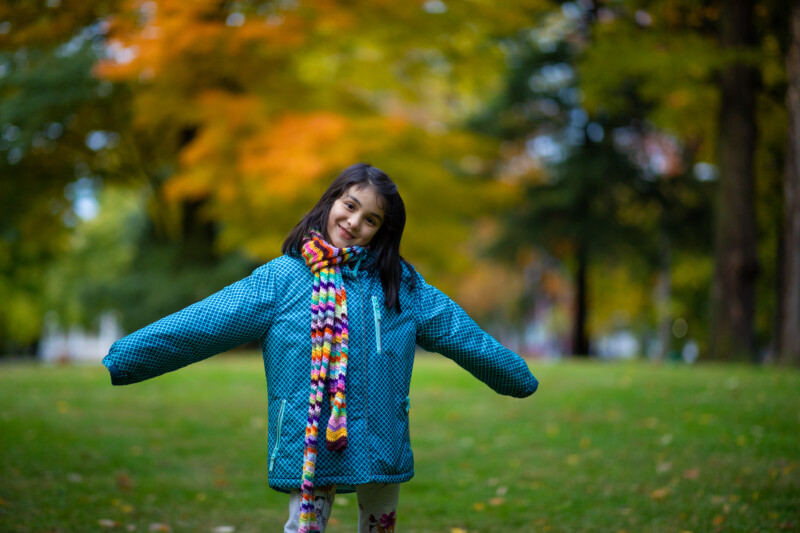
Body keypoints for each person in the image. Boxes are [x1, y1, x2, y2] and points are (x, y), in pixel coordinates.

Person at [102, 162, 539, 533]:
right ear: (331, 201)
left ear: (381, 231)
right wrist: (127, 357)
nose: (354, 223)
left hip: (380, 438)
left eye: (371, 220)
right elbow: (205, 322)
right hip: (312, 440)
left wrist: (516, 376)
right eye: (350, 206)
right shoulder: (284, 278)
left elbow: (462, 335)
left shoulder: (401, 285)